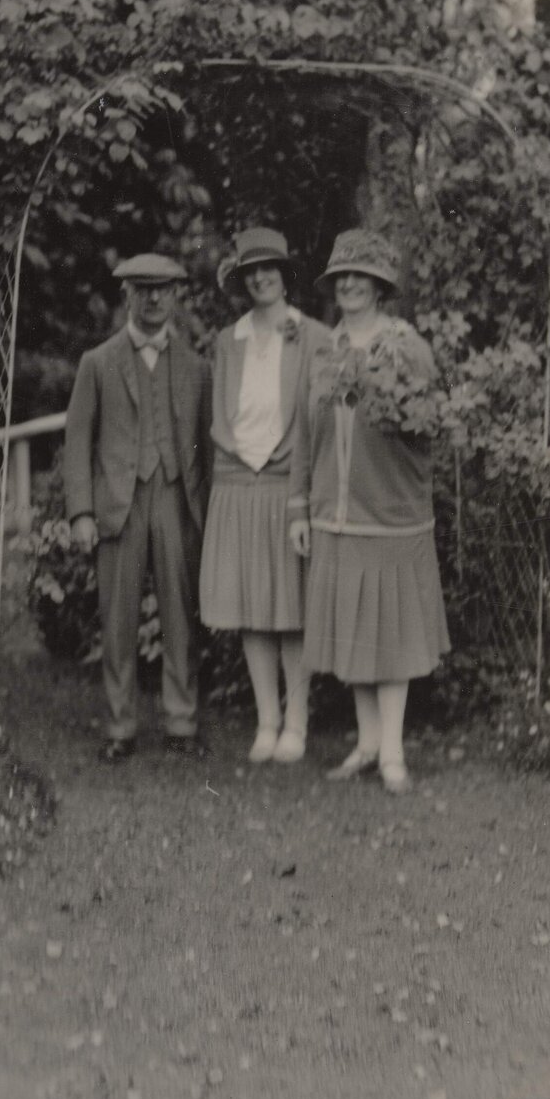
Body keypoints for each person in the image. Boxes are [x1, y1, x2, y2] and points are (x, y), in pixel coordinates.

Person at [288, 229, 450, 793]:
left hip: (391, 514)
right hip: (335, 516)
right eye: (342, 276)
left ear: (381, 286)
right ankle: (365, 743)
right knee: (355, 635)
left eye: (361, 275)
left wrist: (388, 398)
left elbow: (428, 429)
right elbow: (305, 436)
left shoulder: (406, 346)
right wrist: (301, 508)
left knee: (391, 637)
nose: (350, 283)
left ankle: (394, 753)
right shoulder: (324, 350)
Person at [65, 252, 212, 762]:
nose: (153, 299)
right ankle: (120, 726)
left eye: (163, 290)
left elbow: (205, 445)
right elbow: (78, 440)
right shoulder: (98, 362)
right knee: (119, 619)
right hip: (119, 504)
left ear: (176, 297)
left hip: (176, 499)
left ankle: (181, 720)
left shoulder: (196, 366)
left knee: (180, 615)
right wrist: (82, 512)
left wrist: (208, 513)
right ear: (126, 295)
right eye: (143, 289)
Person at [199, 228, 330, 764]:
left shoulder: (315, 336)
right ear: (242, 280)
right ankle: (266, 721)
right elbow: (219, 417)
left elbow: (320, 423)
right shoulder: (227, 342)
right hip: (238, 484)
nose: (260, 277)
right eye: (251, 271)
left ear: (285, 273)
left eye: (269, 267)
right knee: (253, 609)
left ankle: (296, 724)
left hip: (287, 485)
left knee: (291, 609)